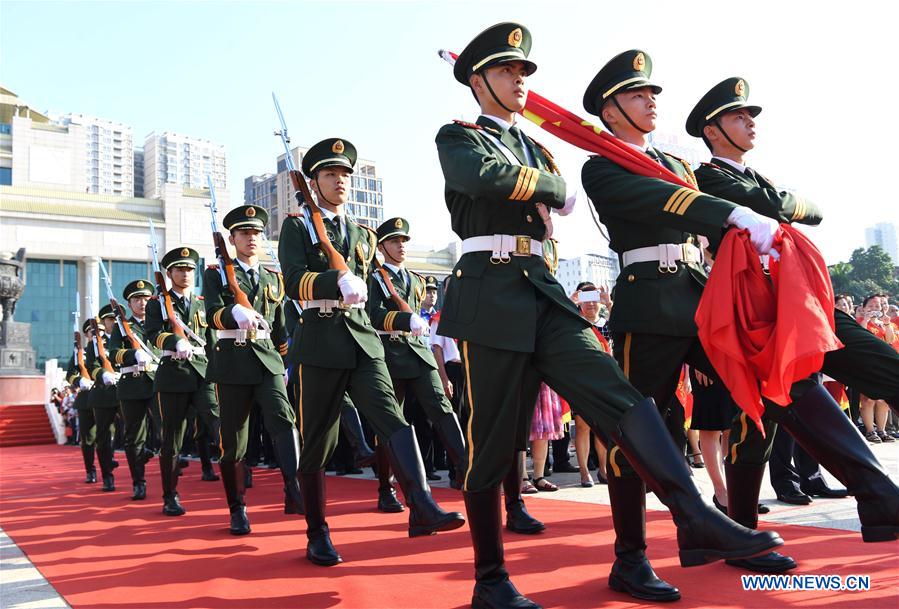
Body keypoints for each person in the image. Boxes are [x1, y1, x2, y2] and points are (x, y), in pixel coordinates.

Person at [437, 26, 780, 608]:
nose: (518, 81)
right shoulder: (459, 136)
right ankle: (490, 579)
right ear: (477, 81)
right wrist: (551, 187)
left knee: (621, 399)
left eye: (522, 73)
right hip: (488, 294)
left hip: (542, 290)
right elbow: (479, 178)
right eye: (505, 72)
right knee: (491, 443)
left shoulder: (536, 146)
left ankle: (695, 514)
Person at [688, 76, 899, 542]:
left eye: (751, 116)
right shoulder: (705, 178)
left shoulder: (756, 179)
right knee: (759, 420)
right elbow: (774, 206)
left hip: (801, 297)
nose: (751, 123)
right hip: (758, 306)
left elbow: (810, 211)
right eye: (739, 117)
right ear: (712, 130)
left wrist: (782, 203)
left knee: (886, 368)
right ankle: (743, 525)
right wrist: (785, 203)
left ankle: (747, 524)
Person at [278, 137, 463, 567]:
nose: (339, 181)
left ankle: (421, 504)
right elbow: (292, 280)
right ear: (314, 182)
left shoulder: (362, 234)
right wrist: (333, 281)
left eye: (345, 174)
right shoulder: (297, 226)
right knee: (317, 440)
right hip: (319, 341)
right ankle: (317, 533)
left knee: (393, 420)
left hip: (363, 339)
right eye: (330, 174)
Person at [203, 204, 306, 535]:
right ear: (232, 239)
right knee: (234, 440)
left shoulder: (273, 278)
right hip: (232, 360)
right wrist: (233, 312)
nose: (251, 238)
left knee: (284, 420)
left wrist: (284, 362)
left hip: (267, 359)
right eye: (244, 233)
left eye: (256, 233)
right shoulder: (216, 274)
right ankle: (237, 508)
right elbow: (211, 315)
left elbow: (280, 327)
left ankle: (294, 488)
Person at [367, 217, 467, 506]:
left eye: (403, 241)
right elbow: (374, 315)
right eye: (394, 241)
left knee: (442, 407)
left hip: (417, 351)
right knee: (390, 421)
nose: (401, 246)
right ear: (381, 247)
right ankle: (386, 488)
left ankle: (465, 469)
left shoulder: (415, 280)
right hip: (389, 353)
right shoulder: (374, 279)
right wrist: (403, 320)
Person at [145, 247, 220, 517]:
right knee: (172, 438)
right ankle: (170, 495)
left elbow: (211, 340)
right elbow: (152, 333)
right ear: (169, 274)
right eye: (179, 269)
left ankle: (237, 476)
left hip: (203, 373)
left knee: (218, 422)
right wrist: (174, 340)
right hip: (173, 374)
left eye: (189, 269)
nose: (185, 274)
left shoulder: (201, 302)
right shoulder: (157, 303)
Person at [106, 279, 158, 501]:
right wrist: (131, 354)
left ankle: (154, 452)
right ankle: (139, 482)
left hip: (157, 381)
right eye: (137, 299)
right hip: (132, 383)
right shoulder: (121, 327)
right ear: (129, 304)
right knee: (134, 437)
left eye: (146, 298)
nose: (142, 302)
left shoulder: (159, 322)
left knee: (167, 429)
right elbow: (113, 354)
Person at [570, 281, 612, 486]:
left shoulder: (606, 324)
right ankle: (584, 472)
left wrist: (609, 303)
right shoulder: (575, 323)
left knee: (602, 426)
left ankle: (604, 470)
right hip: (582, 380)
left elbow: (621, 325)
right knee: (582, 426)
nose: (591, 305)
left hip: (605, 380)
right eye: (586, 301)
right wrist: (571, 303)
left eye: (594, 300)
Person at [87, 305, 121, 492]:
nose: (114, 323)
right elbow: (91, 366)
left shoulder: (128, 337)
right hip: (104, 393)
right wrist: (102, 374)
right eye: (110, 320)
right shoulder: (96, 343)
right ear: (104, 322)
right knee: (103, 437)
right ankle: (107, 475)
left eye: (116, 319)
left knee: (136, 430)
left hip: (126, 390)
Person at [65, 320, 98, 483]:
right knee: (88, 438)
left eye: (98, 331)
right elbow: (69, 374)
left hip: (107, 396)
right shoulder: (80, 354)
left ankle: (108, 464)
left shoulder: (107, 350)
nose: (96, 334)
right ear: (86, 335)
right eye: (92, 332)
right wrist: (79, 381)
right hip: (86, 399)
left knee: (108, 436)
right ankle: (90, 470)